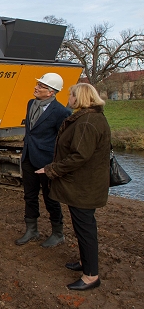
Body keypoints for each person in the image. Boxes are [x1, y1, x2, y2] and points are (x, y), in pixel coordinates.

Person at [37, 83, 111, 291]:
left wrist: (51, 169)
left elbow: (79, 156)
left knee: (85, 229)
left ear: (80, 98)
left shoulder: (87, 122)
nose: (68, 97)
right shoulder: (89, 118)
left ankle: (91, 276)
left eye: (71, 95)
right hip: (84, 184)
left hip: (84, 187)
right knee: (82, 227)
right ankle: (85, 263)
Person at [16, 73, 71, 248]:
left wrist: (55, 165)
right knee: (29, 196)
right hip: (28, 158)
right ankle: (32, 230)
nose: (36, 87)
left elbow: (63, 141)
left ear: (51, 92)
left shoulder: (62, 112)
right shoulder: (31, 103)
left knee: (51, 198)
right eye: (38, 84)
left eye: (41, 86)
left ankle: (58, 233)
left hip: (46, 161)